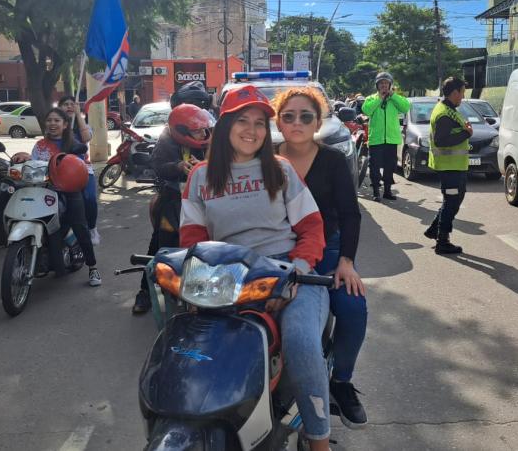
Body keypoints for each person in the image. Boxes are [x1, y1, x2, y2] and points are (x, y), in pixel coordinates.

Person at [180, 85, 331, 450]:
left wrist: (294, 273)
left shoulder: (280, 169)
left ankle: (319, 440)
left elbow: (311, 228)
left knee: (300, 340)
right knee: (187, 346)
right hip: (227, 279)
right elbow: (193, 241)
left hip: (289, 274)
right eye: (243, 120)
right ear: (226, 124)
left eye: (260, 123)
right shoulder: (200, 176)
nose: (252, 130)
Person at [272, 86, 369, 429]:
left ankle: (340, 382)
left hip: (327, 252)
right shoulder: (266, 159)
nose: (297, 122)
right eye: (289, 116)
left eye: (305, 116)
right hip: (280, 253)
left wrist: (347, 262)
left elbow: (350, 214)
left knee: (353, 307)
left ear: (317, 123)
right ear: (279, 123)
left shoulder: (333, 160)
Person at [132, 81, 215, 314]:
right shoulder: (167, 137)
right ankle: (145, 292)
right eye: (188, 104)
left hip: (206, 202)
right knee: (160, 246)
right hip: (173, 200)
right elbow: (158, 166)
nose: (200, 128)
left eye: (198, 105)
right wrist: (179, 166)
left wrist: (207, 165)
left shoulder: (212, 133)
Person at [11, 108, 102, 286]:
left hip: (68, 190)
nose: (52, 124)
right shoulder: (40, 145)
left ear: (65, 124)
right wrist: (24, 159)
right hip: (44, 190)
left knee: (80, 227)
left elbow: (76, 166)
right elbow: (35, 163)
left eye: (57, 120)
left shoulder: (73, 144)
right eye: (49, 120)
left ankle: (92, 268)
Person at [423, 77, 472, 255]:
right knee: (451, 202)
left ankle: (434, 230)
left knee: (454, 200)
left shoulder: (448, 109)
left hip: (455, 166)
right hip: (449, 166)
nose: (463, 97)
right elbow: (441, 141)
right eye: (462, 93)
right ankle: (442, 241)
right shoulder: (444, 113)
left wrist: (464, 131)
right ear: (454, 93)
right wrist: (466, 134)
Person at [58, 95, 100, 245]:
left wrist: (78, 115)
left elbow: (86, 137)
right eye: (65, 104)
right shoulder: (56, 126)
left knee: (89, 198)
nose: (69, 106)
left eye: (72, 104)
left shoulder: (83, 125)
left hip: (82, 169)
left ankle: (92, 228)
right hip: (59, 171)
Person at [362, 72, 409, 202]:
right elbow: (367, 110)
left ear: (390, 85)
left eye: (386, 83)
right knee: (375, 167)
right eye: (381, 83)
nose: (384, 86)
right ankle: (376, 191)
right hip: (376, 139)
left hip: (391, 139)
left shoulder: (395, 99)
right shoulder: (371, 99)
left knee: (390, 166)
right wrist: (380, 99)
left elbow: (405, 107)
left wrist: (392, 96)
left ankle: (387, 191)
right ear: (377, 85)